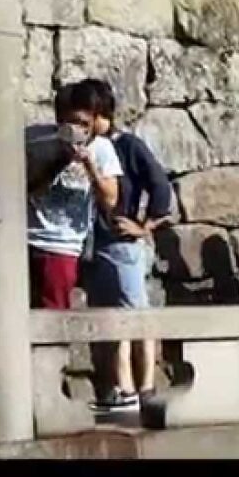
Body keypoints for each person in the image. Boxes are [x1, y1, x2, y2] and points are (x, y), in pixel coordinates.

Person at [78, 79, 173, 413]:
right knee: (110, 316)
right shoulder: (85, 147)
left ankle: (145, 386)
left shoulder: (127, 145)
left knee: (136, 312)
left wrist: (145, 225)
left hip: (122, 241)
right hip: (95, 241)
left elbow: (160, 185)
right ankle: (123, 388)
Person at [25, 82, 122, 309]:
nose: (79, 129)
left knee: (53, 316)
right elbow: (25, 186)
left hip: (62, 246)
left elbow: (110, 199)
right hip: (24, 239)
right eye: (72, 122)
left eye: (84, 124)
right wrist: (59, 157)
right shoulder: (37, 139)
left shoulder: (102, 148)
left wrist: (90, 166)